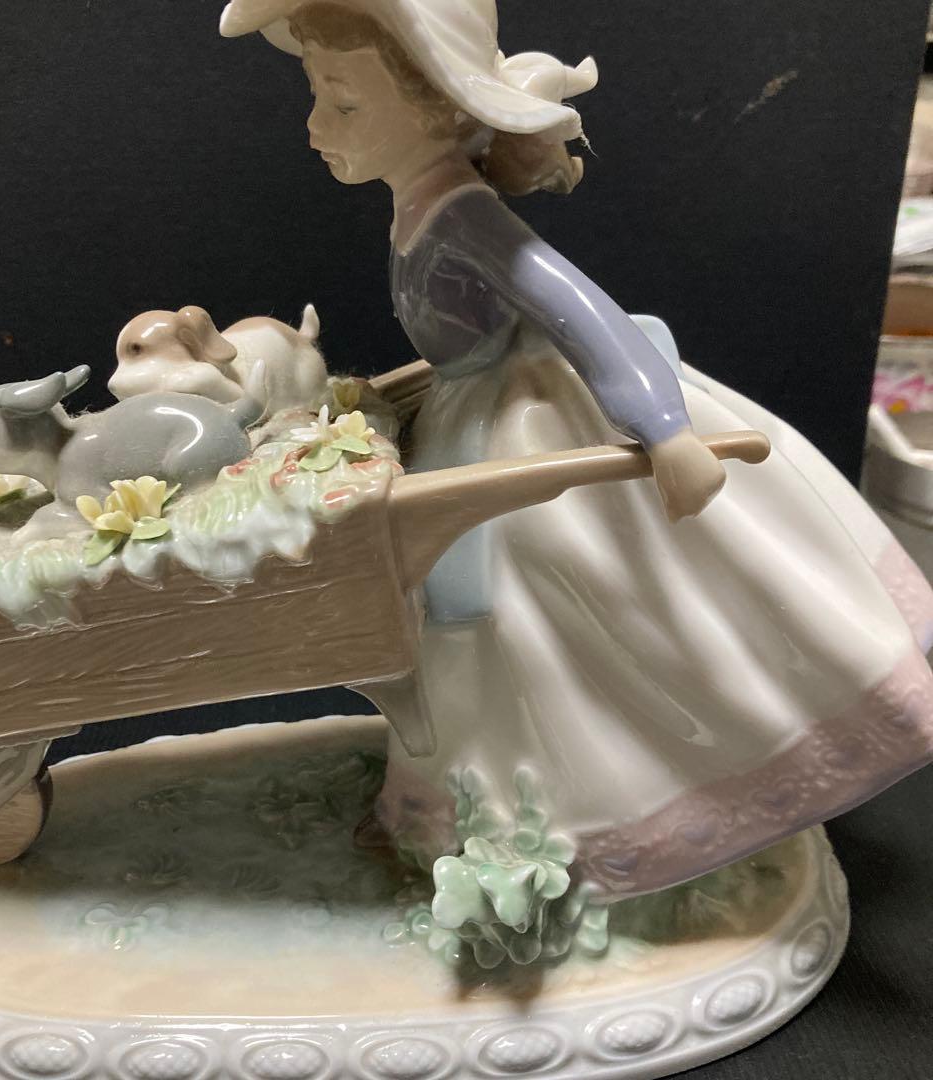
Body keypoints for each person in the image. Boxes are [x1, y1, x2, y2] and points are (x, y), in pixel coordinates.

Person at [220, 0, 933, 937]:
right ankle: (476, 803)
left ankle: (604, 814)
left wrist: (665, 433)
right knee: (462, 613)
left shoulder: (466, 217)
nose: (317, 126)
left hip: (528, 425)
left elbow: (587, 316)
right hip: (476, 406)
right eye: (319, 97)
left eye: (344, 103)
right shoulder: (423, 203)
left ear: (438, 107)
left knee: (529, 606)